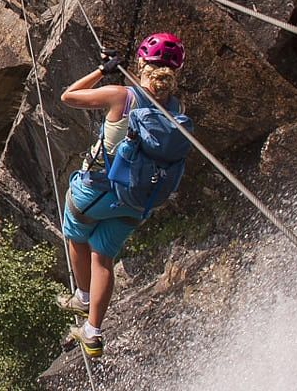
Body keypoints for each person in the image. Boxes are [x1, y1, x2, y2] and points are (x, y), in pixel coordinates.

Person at [56, 32, 188, 357]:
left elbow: (68, 96)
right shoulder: (176, 109)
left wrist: (104, 70)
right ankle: (93, 331)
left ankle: (83, 297)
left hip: (99, 189)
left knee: (75, 232)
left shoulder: (122, 95)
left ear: (141, 63)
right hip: (137, 201)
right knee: (103, 257)